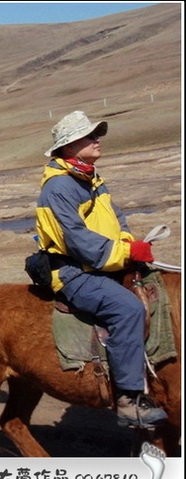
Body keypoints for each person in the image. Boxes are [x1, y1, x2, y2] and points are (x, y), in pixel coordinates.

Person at [35, 110, 167, 429]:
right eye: (89, 135)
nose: (97, 139)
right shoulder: (58, 189)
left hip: (100, 263)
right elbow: (80, 243)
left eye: (97, 134)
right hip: (74, 273)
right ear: (68, 147)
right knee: (129, 310)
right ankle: (128, 398)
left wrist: (128, 244)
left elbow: (117, 219)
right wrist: (125, 253)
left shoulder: (92, 178)